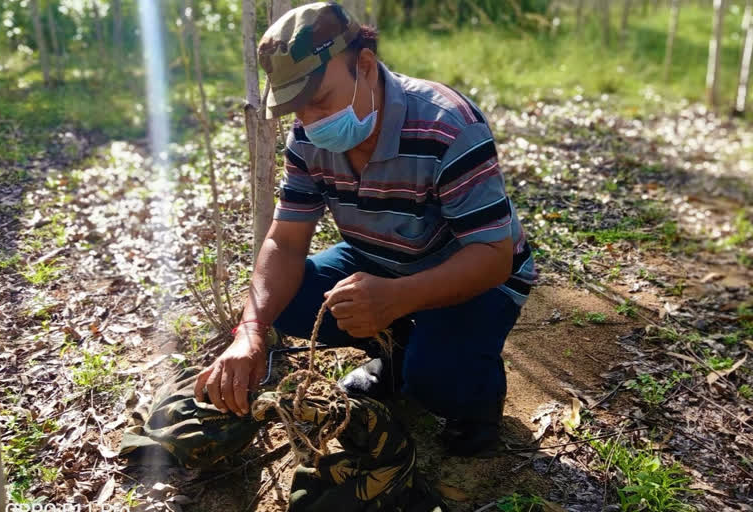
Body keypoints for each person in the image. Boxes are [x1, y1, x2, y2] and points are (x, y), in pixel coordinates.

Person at [194, 1, 538, 458]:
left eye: (319, 100)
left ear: (365, 64)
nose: (312, 122)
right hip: (380, 259)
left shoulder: (446, 124)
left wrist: (397, 297)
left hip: (472, 273)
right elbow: (283, 241)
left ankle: (476, 399)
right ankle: (398, 356)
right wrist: (250, 331)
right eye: (297, 109)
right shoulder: (307, 141)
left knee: (438, 381)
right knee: (288, 301)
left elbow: (493, 256)